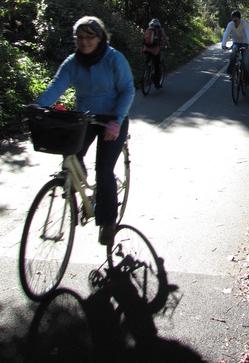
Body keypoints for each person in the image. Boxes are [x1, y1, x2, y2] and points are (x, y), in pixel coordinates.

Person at [34, 16, 135, 246]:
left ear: (100, 38)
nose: (84, 42)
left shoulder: (114, 59)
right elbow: (56, 85)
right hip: (86, 118)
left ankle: (108, 221)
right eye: (79, 37)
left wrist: (117, 120)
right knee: (71, 155)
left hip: (112, 119)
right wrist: (38, 106)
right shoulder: (73, 62)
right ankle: (77, 189)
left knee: (104, 169)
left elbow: (127, 90)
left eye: (89, 37)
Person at [221, 10, 249, 85]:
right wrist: (223, 44)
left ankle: (247, 80)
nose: (234, 19)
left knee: (245, 63)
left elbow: (248, 34)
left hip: (245, 44)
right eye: (233, 17)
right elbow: (226, 34)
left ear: (239, 18)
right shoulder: (230, 24)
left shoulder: (244, 23)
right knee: (233, 54)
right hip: (236, 43)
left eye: (236, 17)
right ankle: (231, 72)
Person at [142, 18, 170, 88]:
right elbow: (166, 40)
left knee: (147, 61)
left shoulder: (148, 29)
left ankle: (145, 74)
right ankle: (156, 83)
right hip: (155, 50)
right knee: (157, 66)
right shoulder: (160, 30)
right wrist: (168, 46)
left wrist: (142, 48)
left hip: (146, 49)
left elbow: (144, 39)